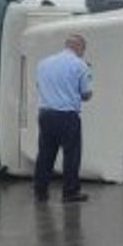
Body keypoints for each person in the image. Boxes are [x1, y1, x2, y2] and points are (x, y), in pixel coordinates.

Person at [34, 34, 93, 203]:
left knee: (45, 154)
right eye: (83, 50)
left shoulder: (43, 63)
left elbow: (39, 86)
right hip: (67, 115)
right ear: (79, 47)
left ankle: (40, 190)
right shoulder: (80, 65)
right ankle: (70, 192)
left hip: (45, 114)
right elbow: (86, 94)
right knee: (71, 155)